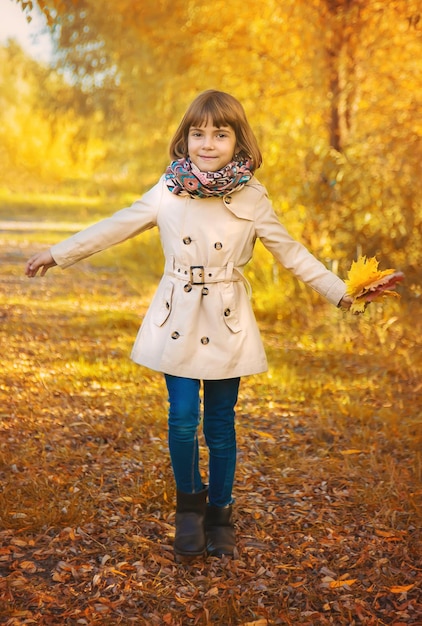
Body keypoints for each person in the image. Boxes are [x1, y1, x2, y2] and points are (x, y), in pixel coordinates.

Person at [26, 89, 353, 560]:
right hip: (176, 311)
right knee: (182, 418)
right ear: (185, 138)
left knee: (220, 424)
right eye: (198, 133)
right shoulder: (168, 189)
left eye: (220, 134)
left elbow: (292, 253)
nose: (207, 143)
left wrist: (341, 291)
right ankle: (188, 508)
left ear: (239, 140)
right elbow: (117, 225)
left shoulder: (253, 196)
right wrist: (58, 254)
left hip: (226, 317)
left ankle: (220, 514)